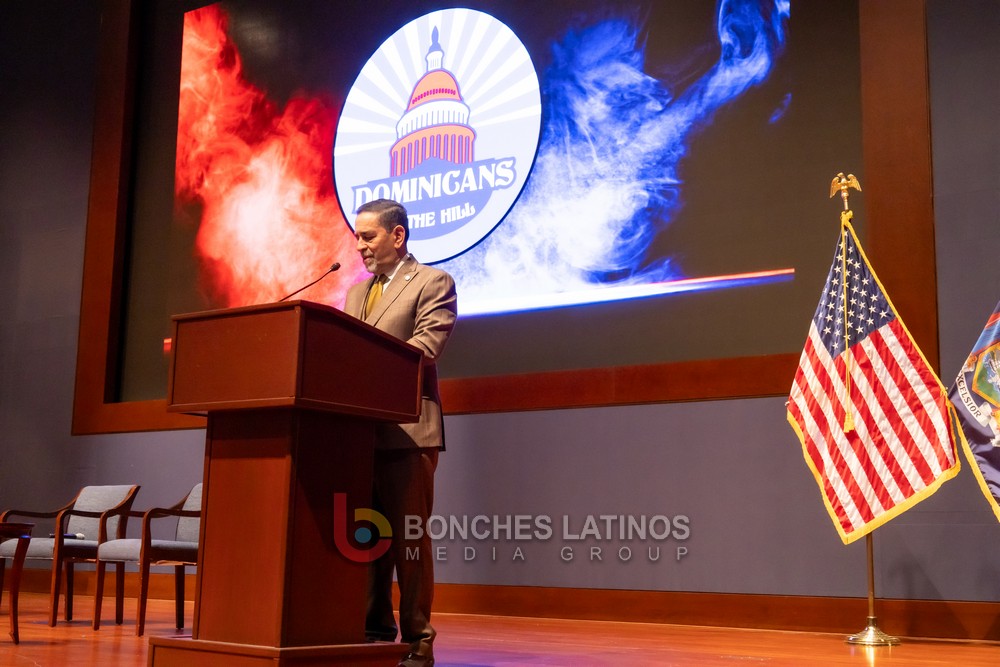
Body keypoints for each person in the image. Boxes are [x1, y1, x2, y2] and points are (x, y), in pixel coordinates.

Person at [344, 198, 457, 667]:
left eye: (368, 236)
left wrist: (365, 368)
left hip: (409, 433)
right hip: (360, 435)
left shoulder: (432, 282)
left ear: (397, 235)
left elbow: (425, 347)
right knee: (366, 538)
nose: (360, 245)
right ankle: (373, 630)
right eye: (357, 237)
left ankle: (418, 640)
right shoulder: (356, 294)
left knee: (409, 540)